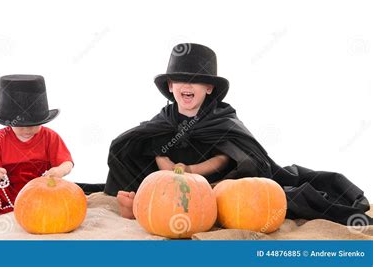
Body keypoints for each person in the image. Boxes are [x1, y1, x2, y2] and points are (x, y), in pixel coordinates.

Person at [104, 43, 372, 225]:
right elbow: (157, 149)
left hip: (217, 179)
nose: (187, 85)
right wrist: (172, 171)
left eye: (195, 79)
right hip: (172, 179)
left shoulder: (221, 118)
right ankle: (140, 203)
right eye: (180, 80)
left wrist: (192, 171)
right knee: (134, 157)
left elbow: (227, 156)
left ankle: (206, 203)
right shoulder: (164, 120)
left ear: (209, 88)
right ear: (171, 86)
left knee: (234, 195)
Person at [0, 74, 73, 216]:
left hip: (42, 187)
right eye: (20, 125)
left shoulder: (50, 137)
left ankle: (41, 209)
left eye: (33, 125)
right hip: (10, 188)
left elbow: (67, 162)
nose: (27, 130)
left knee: (59, 198)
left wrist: (59, 171)